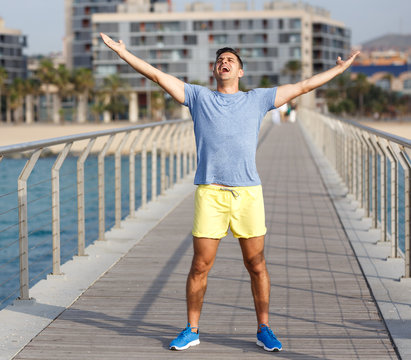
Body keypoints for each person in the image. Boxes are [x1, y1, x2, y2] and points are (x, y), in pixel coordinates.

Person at [100, 32, 359, 352]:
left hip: (248, 193)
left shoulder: (258, 99)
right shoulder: (197, 97)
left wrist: (340, 69)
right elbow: (155, 74)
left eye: (231, 60)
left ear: (240, 72)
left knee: (257, 264)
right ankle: (192, 329)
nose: (224, 63)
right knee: (199, 265)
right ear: (215, 71)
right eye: (220, 60)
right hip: (211, 193)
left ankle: (264, 328)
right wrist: (123, 52)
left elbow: (304, 86)